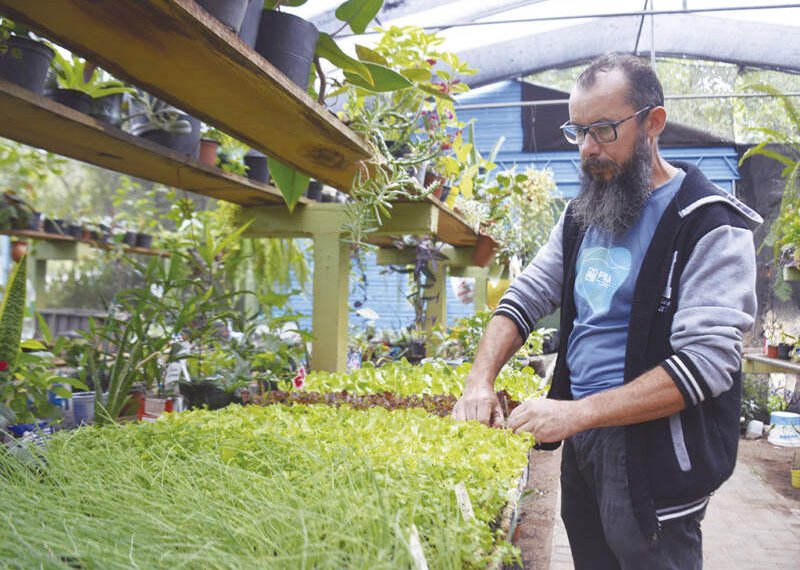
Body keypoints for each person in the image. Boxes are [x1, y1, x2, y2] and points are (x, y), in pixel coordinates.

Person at [452, 53, 762, 570]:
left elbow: (706, 364)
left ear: (652, 123)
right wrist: (479, 380)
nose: (588, 148)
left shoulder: (709, 224)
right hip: (585, 444)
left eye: (603, 129)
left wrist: (574, 412)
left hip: (654, 454)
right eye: (578, 131)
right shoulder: (583, 215)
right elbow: (525, 297)